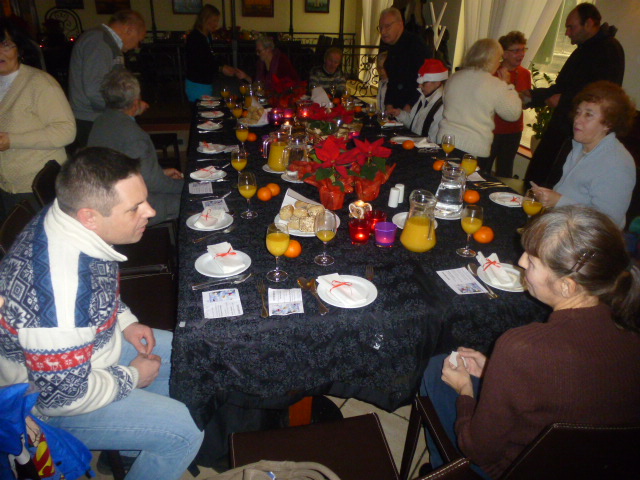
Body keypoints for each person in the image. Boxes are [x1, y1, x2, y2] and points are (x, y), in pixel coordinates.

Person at [0, 147, 204, 480]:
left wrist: (125, 321)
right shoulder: (58, 296)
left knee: (188, 355)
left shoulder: (68, 218)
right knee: (184, 430)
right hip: (45, 402)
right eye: (135, 208)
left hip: (87, 351)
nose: (150, 211)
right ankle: (149, 443)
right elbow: (59, 399)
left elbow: (96, 287)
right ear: (89, 217)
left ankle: (127, 449)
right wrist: (132, 376)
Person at [421, 205, 640, 479]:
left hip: (514, 469)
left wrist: (465, 391)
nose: (522, 262)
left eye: (533, 262)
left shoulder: (523, 347)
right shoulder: (629, 328)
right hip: (598, 464)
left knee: (436, 369)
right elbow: (573, 388)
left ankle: (449, 471)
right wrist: (494, 371)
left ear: (567, 286)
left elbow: (479, 451)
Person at [524, 3, 625, 185]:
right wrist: (530, 96)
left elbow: (603, 97)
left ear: (589, 23)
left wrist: (564, 100)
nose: (567, 33)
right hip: (563, 124)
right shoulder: (584, 49)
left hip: (579, 133)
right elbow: (561, 88)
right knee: (537, 177)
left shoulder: (609, 50)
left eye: (571, 27)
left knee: (552, 182)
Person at [530, 81, 636, 230]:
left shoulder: (618, 163)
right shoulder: (580, 146)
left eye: (588, 115)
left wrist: (559, 201)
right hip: (561, 226)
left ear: (609, 123)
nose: (577, 120)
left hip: (588, 240)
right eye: (578, 112)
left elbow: (607, 223)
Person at [0, 19, 75, 220]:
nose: (0, 52)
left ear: (19, 48)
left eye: (6, 45)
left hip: (37, 188)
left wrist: (11, 140)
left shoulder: (40, 84)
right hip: (6, 187)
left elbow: (66, 131)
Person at [88, 69, 183, 226]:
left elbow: (127, 167)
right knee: (196, 198)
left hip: (105, 198)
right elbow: (155, 184)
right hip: (129, 208)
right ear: (135, 102)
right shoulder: (134, 135)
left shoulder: (100, 122)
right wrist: (189, 185)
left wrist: (160, 172)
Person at [437, 39, 521, 171]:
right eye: (499, 59)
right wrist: (508, 85)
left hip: (446, 140)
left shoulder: (454, 77)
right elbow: (513, 114)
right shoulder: (495, 84)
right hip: (473, 148)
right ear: (491, 59)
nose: (499, 63)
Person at [68, 10, 147, 149]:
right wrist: (126, 108)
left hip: (97, 118)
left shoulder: (106, 43)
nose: (136, 46)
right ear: (129, 29)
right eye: (139, 40)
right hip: (91, 120)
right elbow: (94, 90)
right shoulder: (99, 42)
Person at [185, 4, 250, 102]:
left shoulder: (207, 36)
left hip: (205, 82)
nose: (216, 24)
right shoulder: (195, 38)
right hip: (196, 83)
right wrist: (221, 68)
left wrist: (223, 66)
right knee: (200, 108)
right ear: (205, 19)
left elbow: (210, 58)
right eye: (214, 20)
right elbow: (200, 63)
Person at [488, 31, 532, 177]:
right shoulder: (492, 72)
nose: (521, 54)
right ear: (504, 54)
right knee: (483, 168)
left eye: (523, 49)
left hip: (514, 131)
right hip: (491, 129)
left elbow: (524, 104)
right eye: (516, 51)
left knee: (505, 172)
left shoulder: (525, 74)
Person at [378, 7, 432, 112]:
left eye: (387, 26)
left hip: (413, 109)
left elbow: (425, 81)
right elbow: (392, 81)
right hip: (396, 110)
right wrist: (389, 105)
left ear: (400, 24)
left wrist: (409, 106)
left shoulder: (415, 45)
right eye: (380, 28)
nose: (383, 32)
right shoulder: (393, 47)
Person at [389, 58, 447, 140]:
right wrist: (400, 114)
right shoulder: (422, 98)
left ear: (437, 83)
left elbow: (433, 139)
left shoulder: (442, 106)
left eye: (424, 83)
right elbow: (413, 124)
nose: (419, 86)